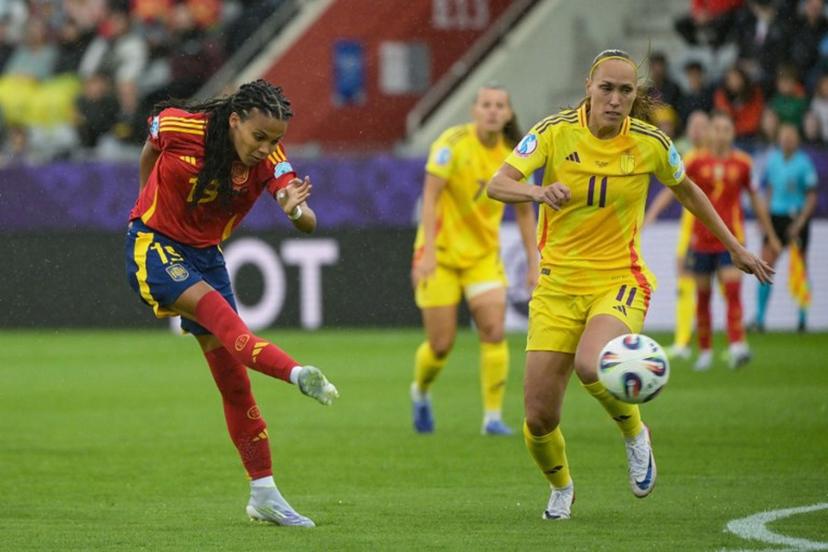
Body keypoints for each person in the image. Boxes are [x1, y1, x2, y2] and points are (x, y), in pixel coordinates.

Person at [487, 49, 773, 520]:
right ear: (589, 87)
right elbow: (498, 183)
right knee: (538, 419)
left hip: (619, 278)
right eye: (607, 89)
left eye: (626, 91)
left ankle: (635, 433)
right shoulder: (554, 132)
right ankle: (561, 487)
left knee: (592, 362)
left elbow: (688, 191)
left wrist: (735, 247)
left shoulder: (650, 143)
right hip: (558, 287)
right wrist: (537, 190)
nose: (616, 100)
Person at [124, 80, 339, 528]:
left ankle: (264, 494)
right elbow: (150, 145)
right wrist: (144, 201)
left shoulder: (271, 161)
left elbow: (307, 222)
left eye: (275, 140)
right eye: (259, 137)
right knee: (232, 331)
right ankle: (298, 373)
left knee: (235, 385)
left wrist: (294, 209)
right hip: (155, 245)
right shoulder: (183, 127)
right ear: (236, 120)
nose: (266, 149)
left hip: (206, 256)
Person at [410, 84, 538, 436]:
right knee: (441, 344)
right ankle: (420, 391)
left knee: (494, 331)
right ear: (475, 110)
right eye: (487, 105)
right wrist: (429, 253)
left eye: (500, 105)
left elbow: (526, 212)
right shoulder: (450, 145)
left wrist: (533, 260)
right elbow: (431, 199)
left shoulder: (516, 156)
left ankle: (492, 418)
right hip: (442, 255)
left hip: (482, 257)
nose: (493, 111)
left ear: (508, 113)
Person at [684, 111, 780, 371]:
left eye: (726, 129)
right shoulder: (694, 163)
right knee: (703, 298)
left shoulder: (743, 164)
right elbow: (680, 193)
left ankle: (737, 346)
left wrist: (770, 234)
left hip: (732, 241)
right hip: (701, 240)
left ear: (732, 133)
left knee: (733, 293)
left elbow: (757, 200)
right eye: (717, 128)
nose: (721, 134)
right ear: (709, 132)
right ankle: (705, 351)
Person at [644, 110, 711, 360]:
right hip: (689, 227)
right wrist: (650, 215)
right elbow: (672, 190)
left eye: (701, 125)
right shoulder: (689, 156)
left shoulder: (712, 158)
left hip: (708, 227)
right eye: (692, 125)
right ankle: (683, 341)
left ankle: (735, 339)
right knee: (685, 279)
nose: (695, 130)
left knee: (722, 285)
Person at [752, 124, 819, 332]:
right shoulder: (773, 161)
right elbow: (768, 191)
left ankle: (802, 318)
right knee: (765, 265)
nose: (787, 140)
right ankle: (760, 318)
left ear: (797, 140)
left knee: (800, 268)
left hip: (796, 218)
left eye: (791, 137)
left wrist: (800, 222)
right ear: (779, 138)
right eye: (784, 136)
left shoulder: (804, 163)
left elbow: (811, 196)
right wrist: (764, 221)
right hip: (775, 217)